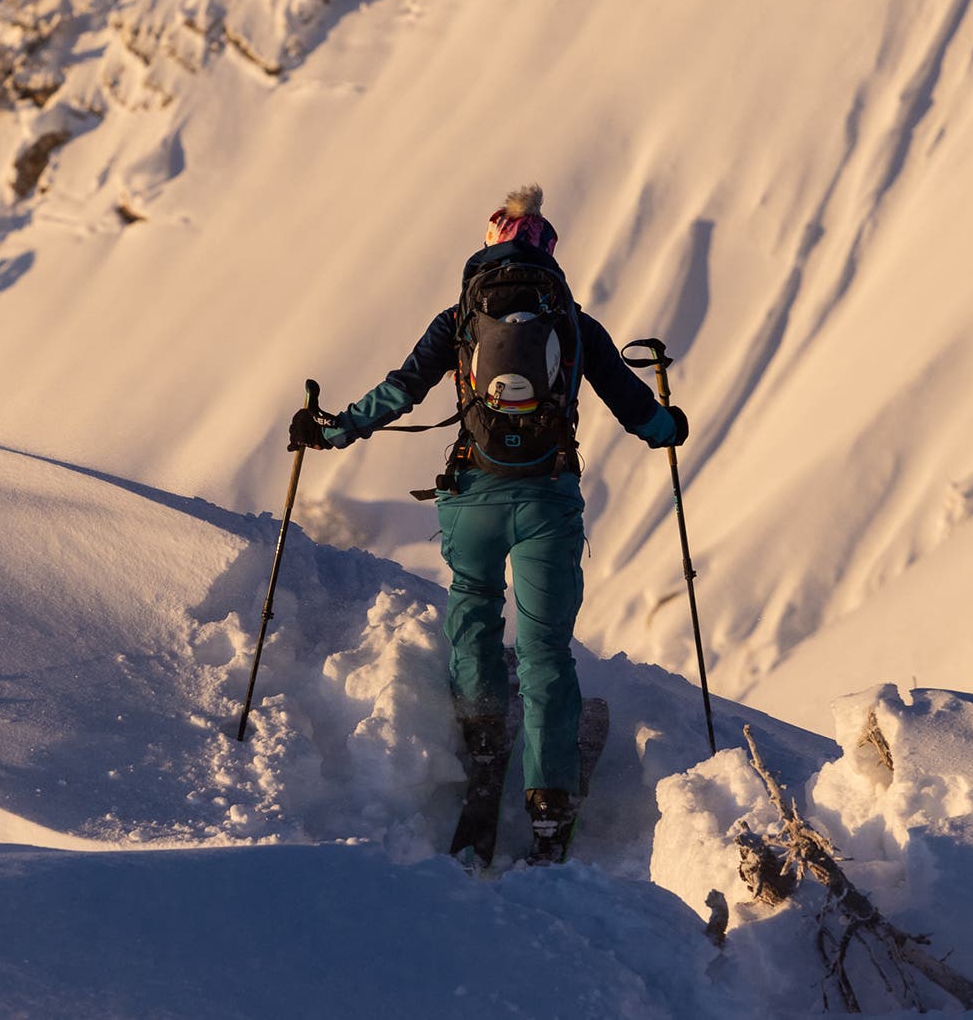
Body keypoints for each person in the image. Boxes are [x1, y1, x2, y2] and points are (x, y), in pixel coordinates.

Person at [289, 186, 687, 863]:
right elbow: (640, 414)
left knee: (473, 607)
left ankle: (479, 738)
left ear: (488, 242)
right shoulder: (573, 323)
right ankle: (550, 804)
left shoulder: (459, 318)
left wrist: (333, 431)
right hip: (547, 502)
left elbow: (401, 389)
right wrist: (667, 421)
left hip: (473, 492)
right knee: (544, 653)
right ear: (549, 251)